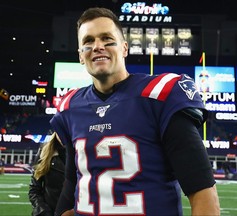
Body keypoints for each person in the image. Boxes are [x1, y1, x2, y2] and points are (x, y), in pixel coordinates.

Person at [51, 7, 220, 216]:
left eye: (106, 38)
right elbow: (72, 181)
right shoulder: (71, 107)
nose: (97, 46)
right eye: (88, 41)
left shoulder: (158, 96)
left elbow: (203, 192)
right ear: (80, 55)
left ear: (124, 48)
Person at [28, 132, 65, 216]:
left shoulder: (81, 153)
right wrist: (44, 211)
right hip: (50, 212)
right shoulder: (44, 151)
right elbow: (34, 189)